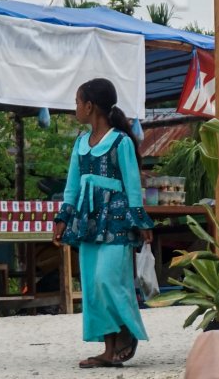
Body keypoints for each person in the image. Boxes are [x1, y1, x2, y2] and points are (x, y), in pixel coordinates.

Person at [52, 78, 153, 369]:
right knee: (93, 285)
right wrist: (62, 218)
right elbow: (71, 186)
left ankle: (126, 331)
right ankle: (108, 349)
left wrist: (139, 219)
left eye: (76, 103)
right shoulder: (80, 144)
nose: (75, 109)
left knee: (110, 279)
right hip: (87, 221)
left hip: (117, 220)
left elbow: (132, 183)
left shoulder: (120, 141)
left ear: (89, 106)